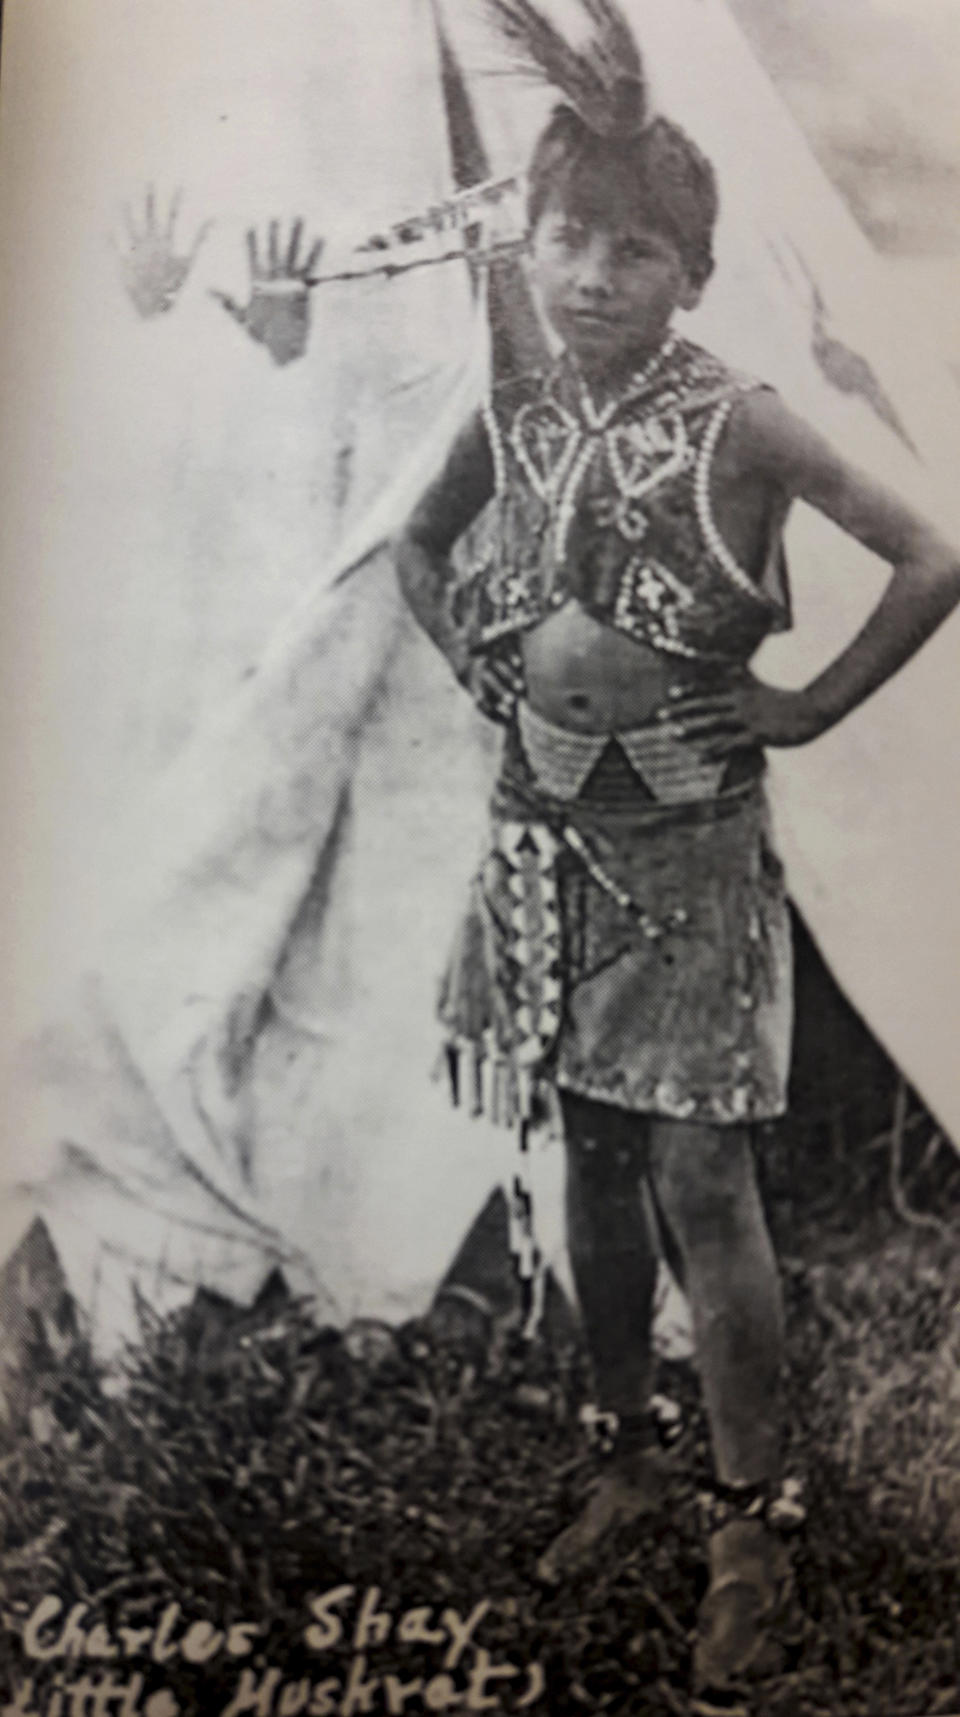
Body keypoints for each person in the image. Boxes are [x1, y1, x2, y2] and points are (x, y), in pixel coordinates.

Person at [394, 36, 960, 1710]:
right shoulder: (511, 394)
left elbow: (935, 550)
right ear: (529, 242)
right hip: (541, 828)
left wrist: (806, 704)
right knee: (588, 1143)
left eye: (634, 249)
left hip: (692, 845)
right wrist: (470, 660)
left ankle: (749, 1519)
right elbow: (421, 546)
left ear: (694, 273)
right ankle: (628, 1450)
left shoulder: (740, 417)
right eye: (567, 237)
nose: (591, 274)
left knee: (705, 1183)